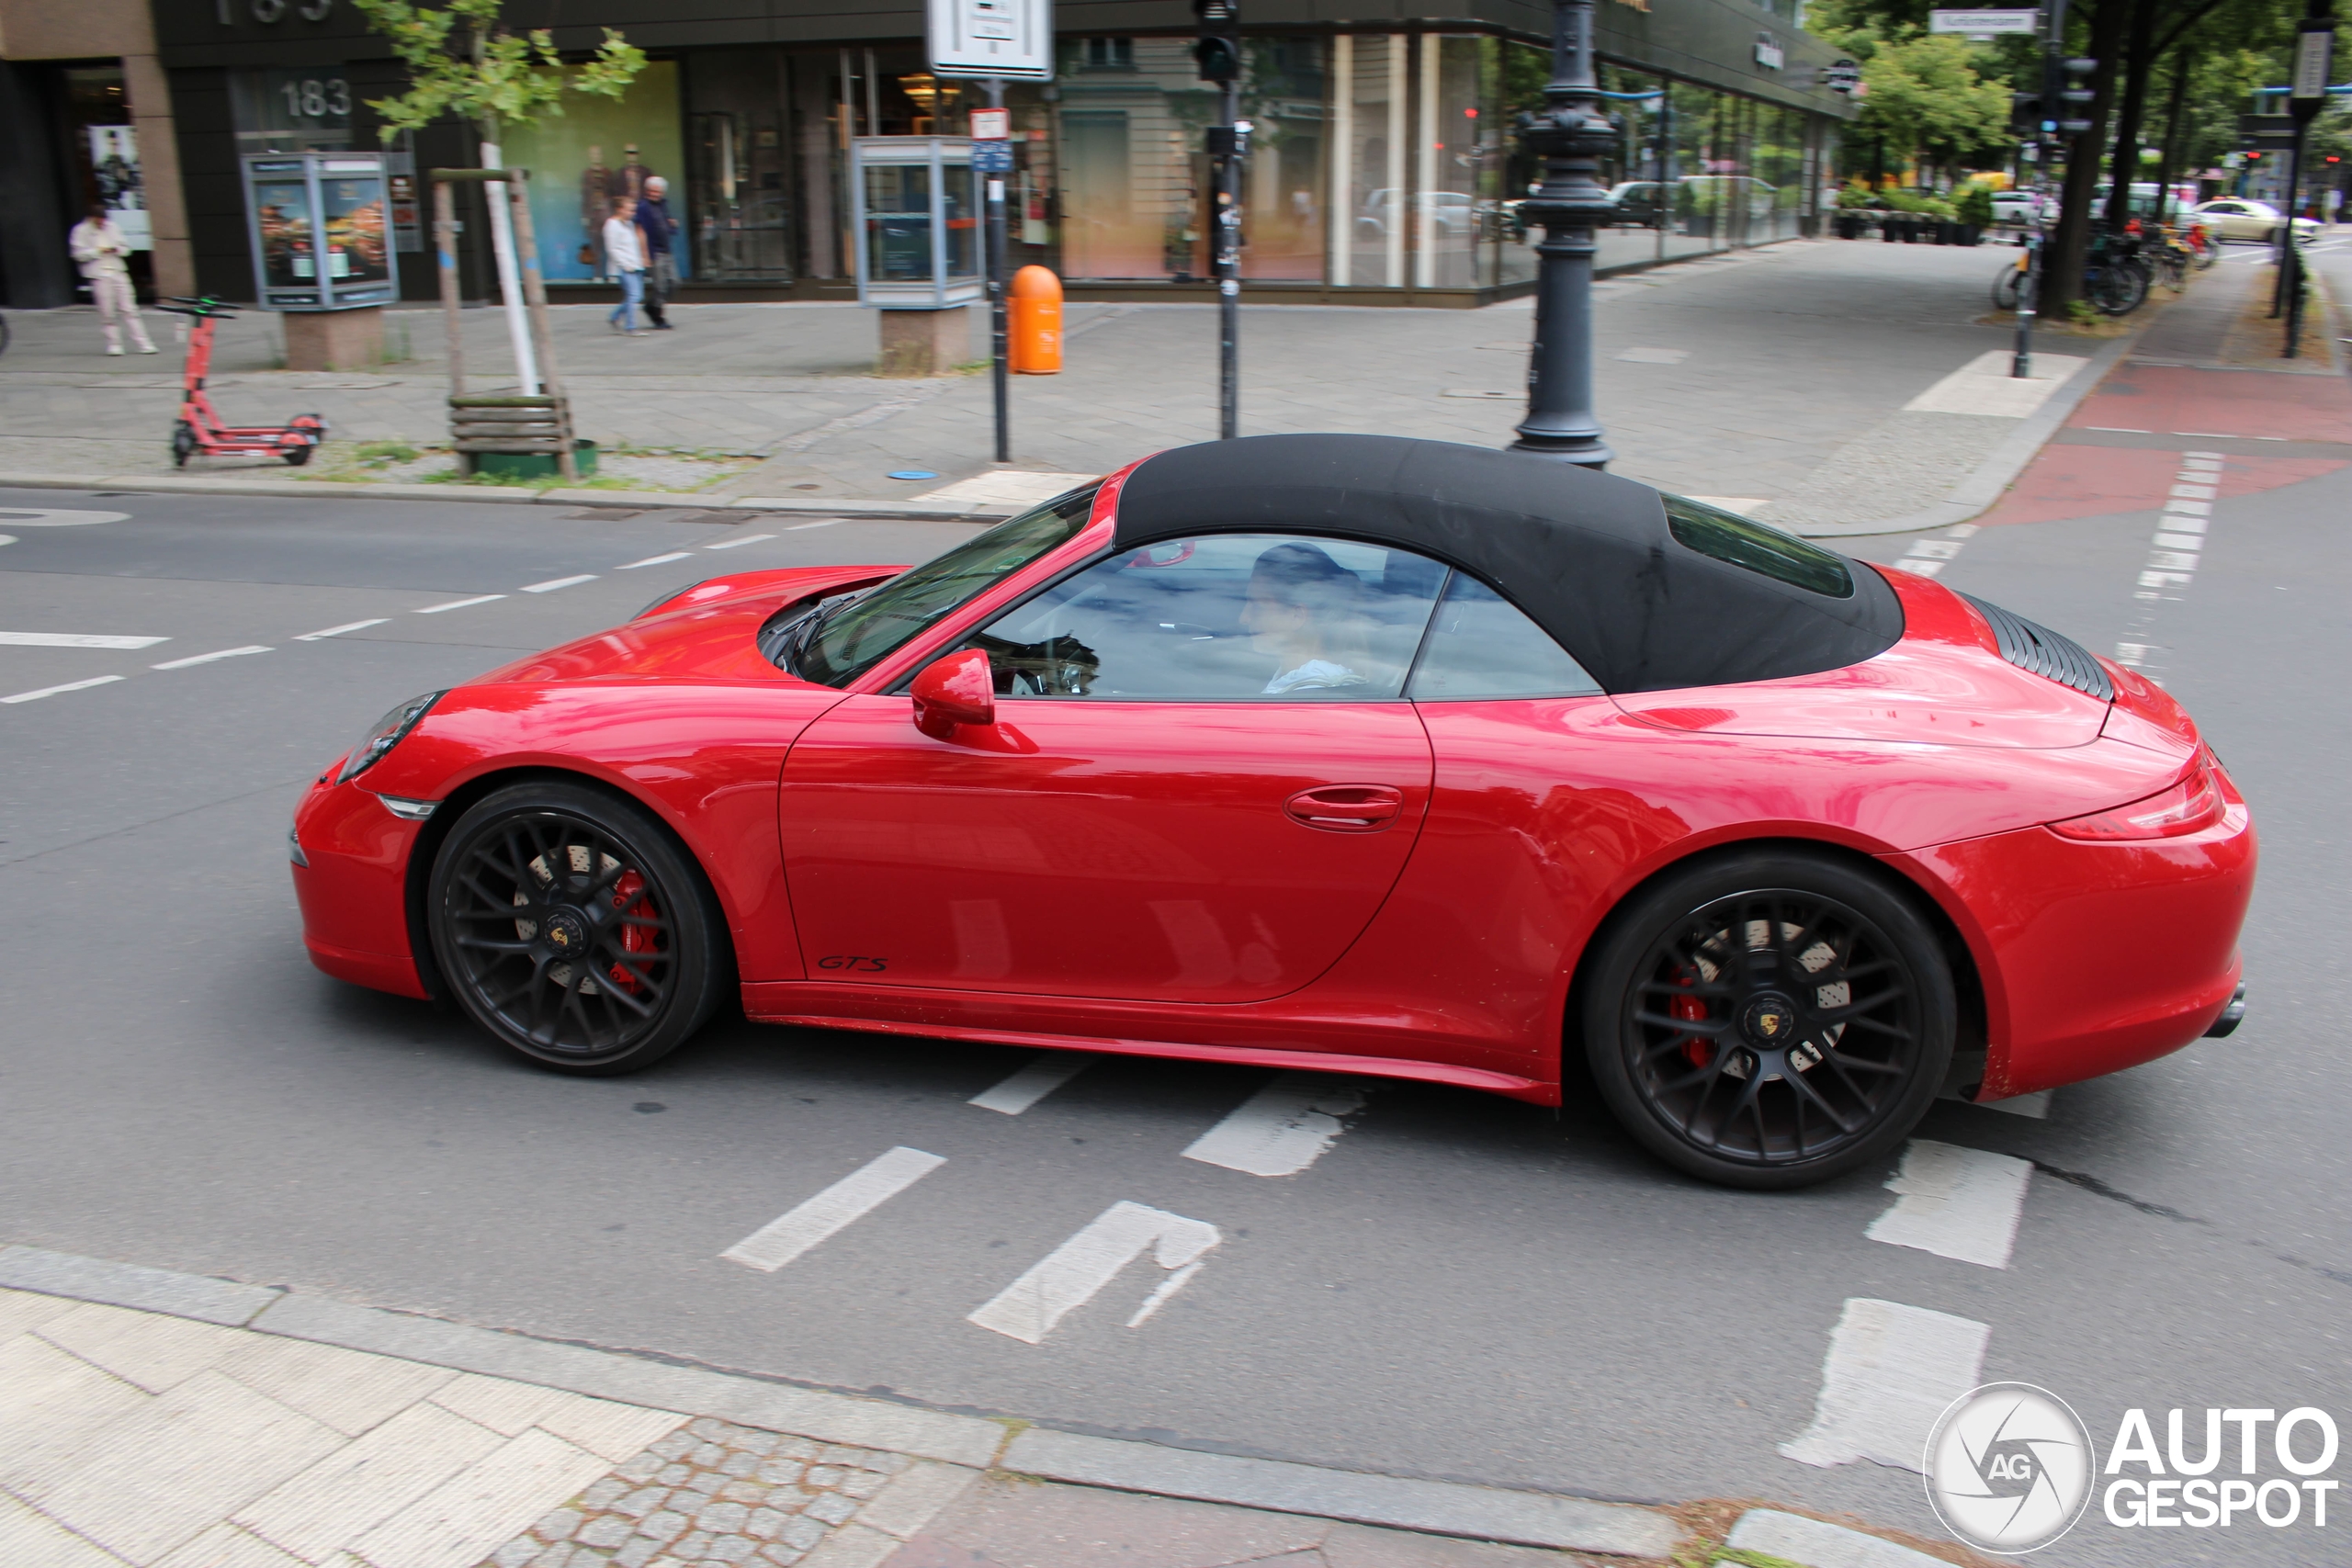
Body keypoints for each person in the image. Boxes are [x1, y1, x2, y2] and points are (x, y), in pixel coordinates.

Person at [1238, 542, 1375, 694]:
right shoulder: (1296, 683)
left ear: (1297, 615)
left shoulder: (1310, 692)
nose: (1243, 618)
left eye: (1257, 606)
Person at [68, 204, 156, 355]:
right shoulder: (80, 230)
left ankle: (144, 343)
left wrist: (117, 249)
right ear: (91, 218)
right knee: (107, 312)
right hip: (99, 275)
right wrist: (97, 251)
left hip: (118, 271)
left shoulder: (112, 227)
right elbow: (78, 254)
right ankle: (114, 344)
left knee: (130, 309)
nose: (102, 223)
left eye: (103, 220)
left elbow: (126, 249)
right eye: (98, 220)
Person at [635, 175, 677, 330]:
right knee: (660, 286)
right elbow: (640, 231)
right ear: (647, 191)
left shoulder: (663, 205)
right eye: (652, 191)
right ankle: (658, 317)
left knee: (673, 282)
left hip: (666, 250)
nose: (654, 194)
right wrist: (645, 255)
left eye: (657, 191)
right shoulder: (643, 207)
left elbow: (667, 224)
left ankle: (650, 306)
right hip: (654, 252)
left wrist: (672, 225)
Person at [604, 195, 646, 335]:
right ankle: (630, 327)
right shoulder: (612, 225)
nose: (632, 213)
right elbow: (612, 248)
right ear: (619, 209)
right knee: (634, 295)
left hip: (636, 264)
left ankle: (615, 317)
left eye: (633, 210)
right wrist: (624, 264)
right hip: (625, 267)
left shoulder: (629, 224)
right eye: (629, 210)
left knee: (636, 296)